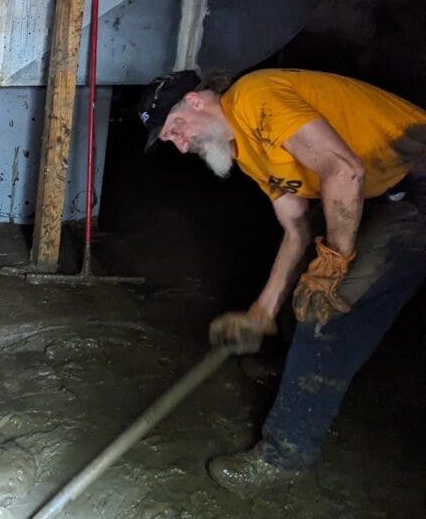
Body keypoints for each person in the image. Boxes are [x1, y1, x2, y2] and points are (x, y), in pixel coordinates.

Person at [137, 68, 426, 495]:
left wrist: (336, 262)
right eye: (170, 141)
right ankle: (293, 365)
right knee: (312, 279)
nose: (181, 146)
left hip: (416, 182)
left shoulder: (252, 97)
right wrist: (261, 315)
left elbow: (344, 171)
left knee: (329, 310)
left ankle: (285, 454)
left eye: (176, 129)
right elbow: (297, 231)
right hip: (385, 192)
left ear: (196, 102)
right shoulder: (250, 151)